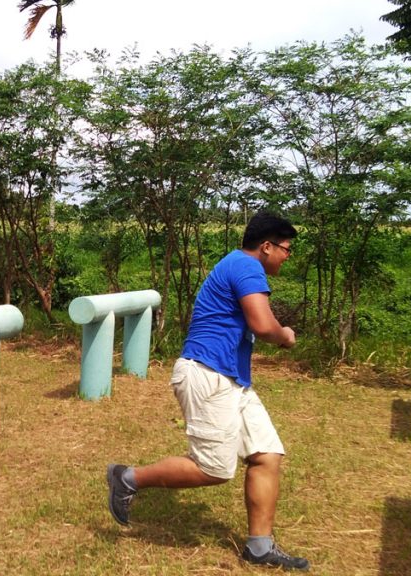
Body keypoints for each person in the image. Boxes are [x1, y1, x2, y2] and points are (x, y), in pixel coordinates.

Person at [106, 211, 309, 572]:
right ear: (266, 246)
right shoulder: (247, 267)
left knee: (266, 454)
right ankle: (127, 477)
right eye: (285, 249)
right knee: (214, 468)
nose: (287, 256)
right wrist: (286, 335)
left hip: (231, 379)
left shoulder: (237, 263)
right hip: (208, 375)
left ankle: (259, 547)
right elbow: (263, 325)